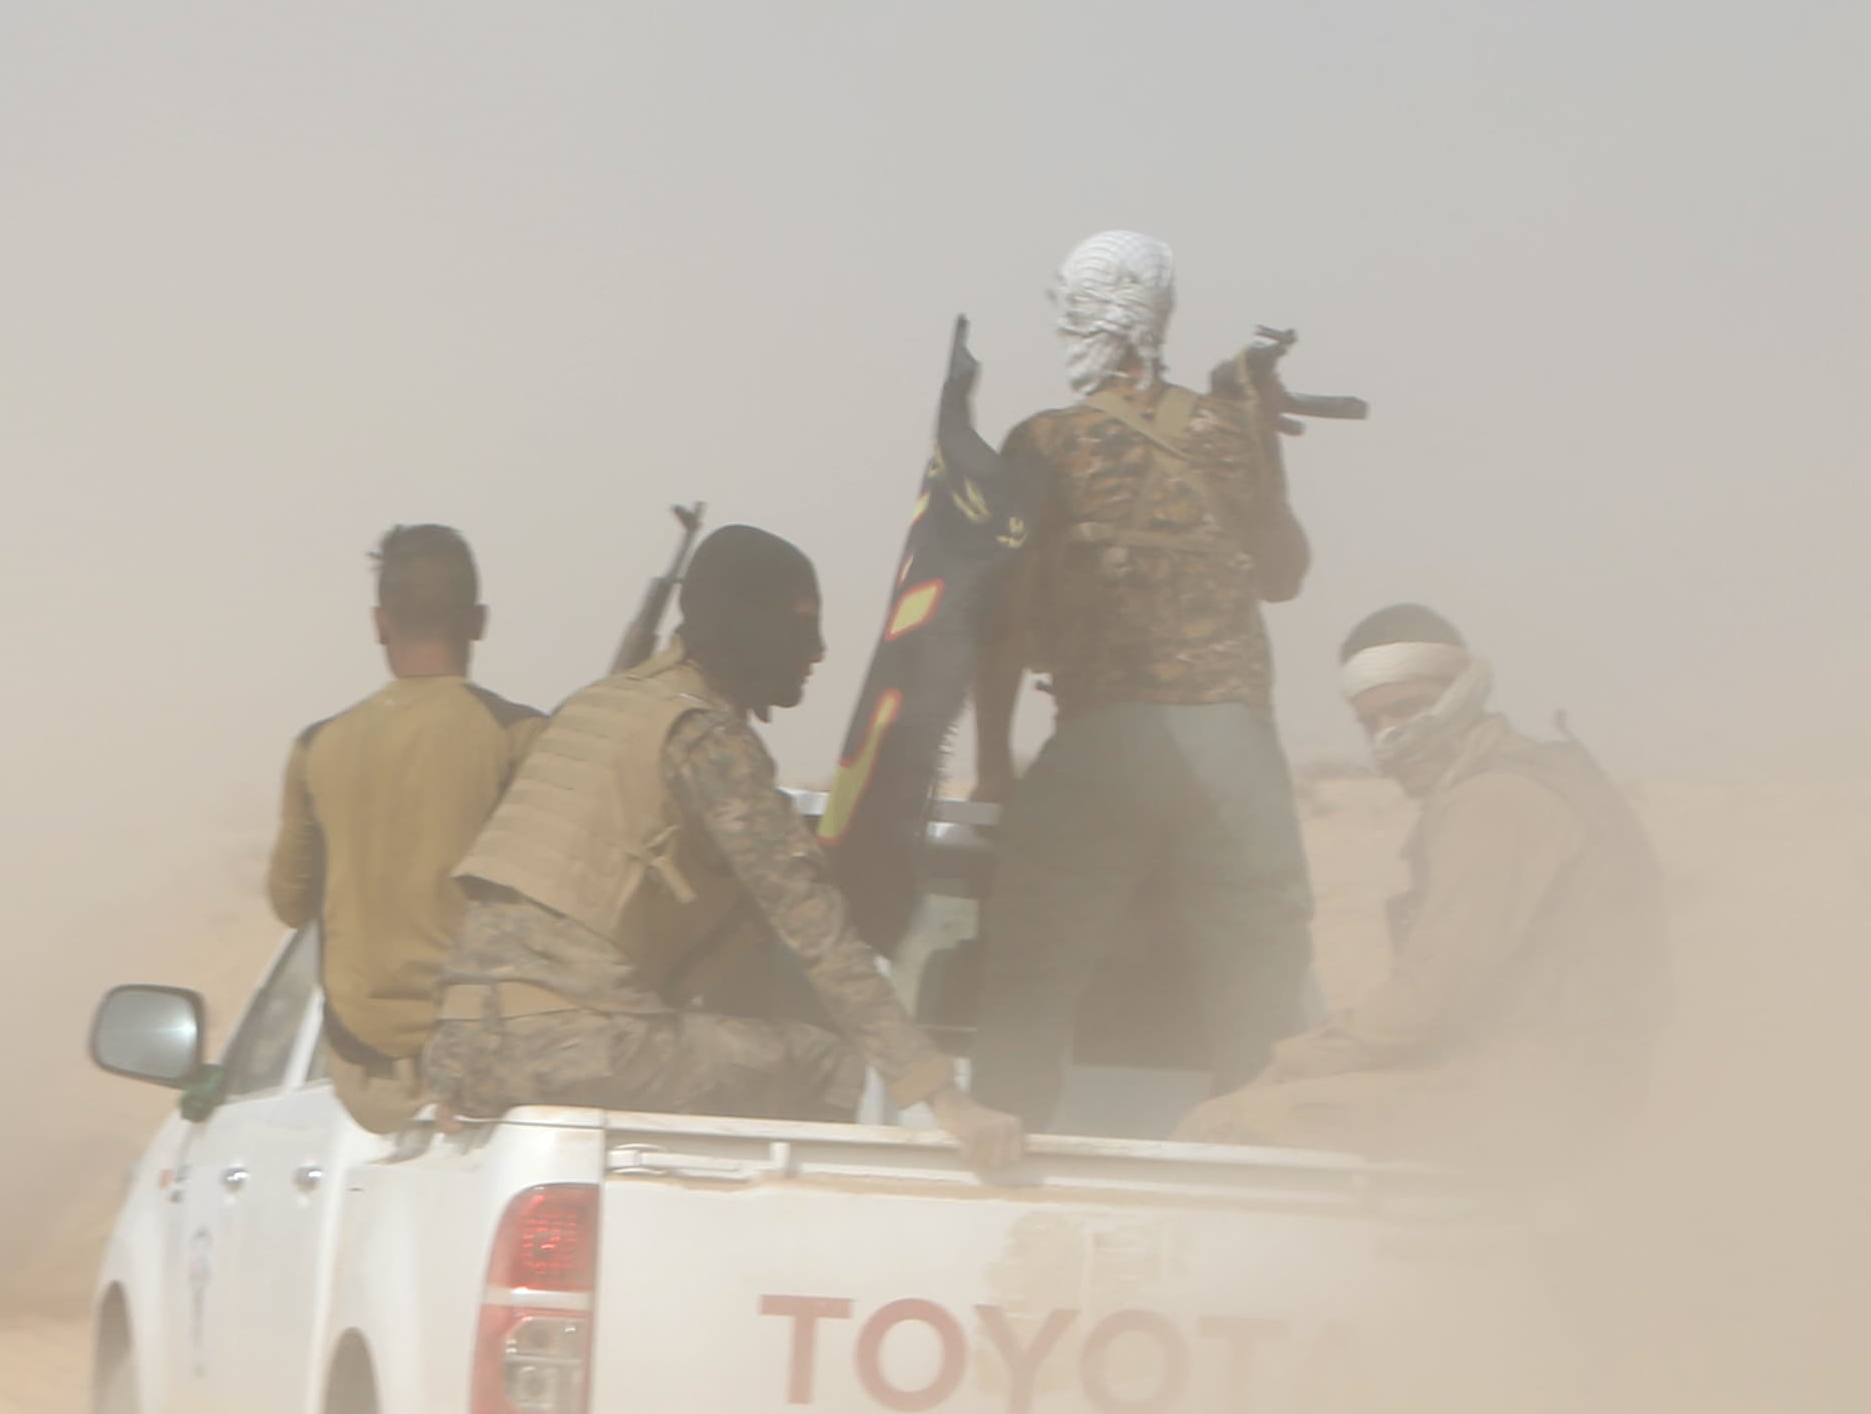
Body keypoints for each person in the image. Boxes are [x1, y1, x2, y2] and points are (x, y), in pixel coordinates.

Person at [427, 525, 1026, 1176]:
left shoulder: (593, 707)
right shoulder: (704, 737)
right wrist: (945, 1098)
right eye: (802, 623)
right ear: (746, 623)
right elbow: (817, 937)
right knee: (826, 1062)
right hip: (570, 1046)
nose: (819, 650)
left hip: (461, 1047)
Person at [967, 229, 1316, 1127]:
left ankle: (1002, 1149)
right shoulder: (1225, 431)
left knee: (1028, 972)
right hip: (1232, 745)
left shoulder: (1041, 444)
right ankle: (1262, 1159)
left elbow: (1002, 621)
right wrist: (1259, 442)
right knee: (1260, 984)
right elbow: (1284, 574)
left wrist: (997, 762)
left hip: (1105, 737)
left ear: (1078, 318)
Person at [1176, 606, 1669, 1161]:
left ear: (1460, 694)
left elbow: (1423, 1008)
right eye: (1370, 723)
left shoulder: (1493, 801)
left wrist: (1291, 1061)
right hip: (1549, 1072)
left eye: (1406, 709)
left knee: (1221, 1128)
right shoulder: (1519, 777)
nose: (1389, 736)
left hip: (1535, 1090)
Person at [266, 524, 550, 1131]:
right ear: (478, 621)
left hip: (365, 1078)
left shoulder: (317, 747)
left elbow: (290, 904)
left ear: (379, 623)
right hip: (486, 1061)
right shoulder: (518, 737)